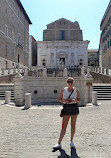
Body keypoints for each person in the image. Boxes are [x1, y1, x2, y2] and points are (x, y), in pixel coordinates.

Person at [53, 77, 80, 149]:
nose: (70, 83)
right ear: (67, 83)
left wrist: (74, 100)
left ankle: (71, 141)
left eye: (71, 81)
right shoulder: (63, 90)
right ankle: (59, 143)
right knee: (64, 126)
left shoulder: (76, 90)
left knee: (73, 125)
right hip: (66, 107)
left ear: (73, 82)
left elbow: (79, 100)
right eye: (68, 81)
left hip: (74, 107)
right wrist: (65, 100)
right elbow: (59, 99)